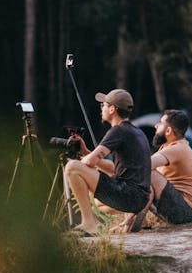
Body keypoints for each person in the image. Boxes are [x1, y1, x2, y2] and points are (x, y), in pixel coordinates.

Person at [64, 89, 151, 236]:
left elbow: (91, 162)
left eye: (103, 105)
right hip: (141, 199)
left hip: (129, 196)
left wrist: (84, 160)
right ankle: (135, 217)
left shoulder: (117, 131)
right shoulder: (136, 131)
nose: (101, 109)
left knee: (72, 167)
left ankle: (89, 224)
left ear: (112, 109)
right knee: (99, 203)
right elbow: (114, 168)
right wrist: (85, 152)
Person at [126, 109, 192, 232]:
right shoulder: (168, 147)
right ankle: (133, 223)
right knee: (146, 184)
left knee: (148, 173)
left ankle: (130, 222)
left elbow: (145, 166)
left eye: (160, 123)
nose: (156, 125)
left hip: (185, 212)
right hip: (176, 209)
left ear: (168, 131)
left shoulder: (177, 148)